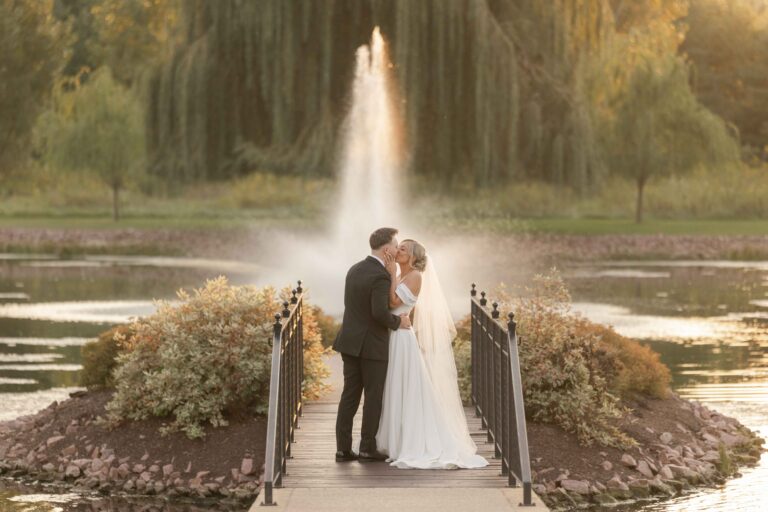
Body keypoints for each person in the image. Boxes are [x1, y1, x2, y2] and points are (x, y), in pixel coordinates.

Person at [375, 239, 488, 469]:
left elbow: (393, 301)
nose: (399, 250)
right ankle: (393, 439)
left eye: (404, 248)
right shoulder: (401, 273)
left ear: (414, 257)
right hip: (395, 332)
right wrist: (393, 272)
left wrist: (390, 272)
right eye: (399, 247)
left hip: (402, 339)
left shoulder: (415, 276)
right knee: (395, 386)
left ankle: (415, 442)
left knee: (405, 385)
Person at [333, 227, 412, 462]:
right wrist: (400, 322)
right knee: (373, 397)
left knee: (349, 397)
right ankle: (367, 447)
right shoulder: (380, 275)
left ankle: (343, 449)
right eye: (396, 245)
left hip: (349, 342)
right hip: (372, 346)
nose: (398, 249)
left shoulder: (354, 269)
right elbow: (379, 313)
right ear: (386, 249)